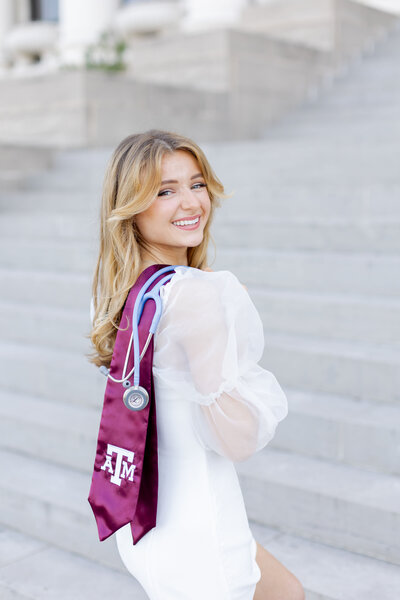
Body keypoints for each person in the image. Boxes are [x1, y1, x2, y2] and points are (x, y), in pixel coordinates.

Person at [88, 129, 305, 600]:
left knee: (286, 591)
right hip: (200, 534)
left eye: (197, 183)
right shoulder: (199, 296)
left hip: (143, 520)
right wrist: (229, 332)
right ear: (131, 204)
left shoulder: (126, 290)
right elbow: (237, 438)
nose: (190, 203)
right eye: (165, 191)